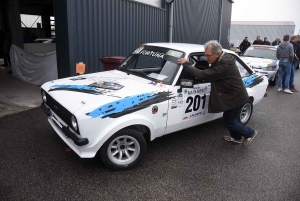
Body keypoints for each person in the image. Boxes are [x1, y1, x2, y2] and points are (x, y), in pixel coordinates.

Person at [177, 40, 258, 145]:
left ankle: (250, 133)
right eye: (205, 55)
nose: (206, 58)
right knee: (230, 120)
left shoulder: (224, 65)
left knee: (229, 122)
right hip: (231, 95)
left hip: (235, 97)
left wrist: (187, 65)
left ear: (218, 54)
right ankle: (237, 138)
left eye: (208, 55)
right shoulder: (221, 58)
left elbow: (202, 75)